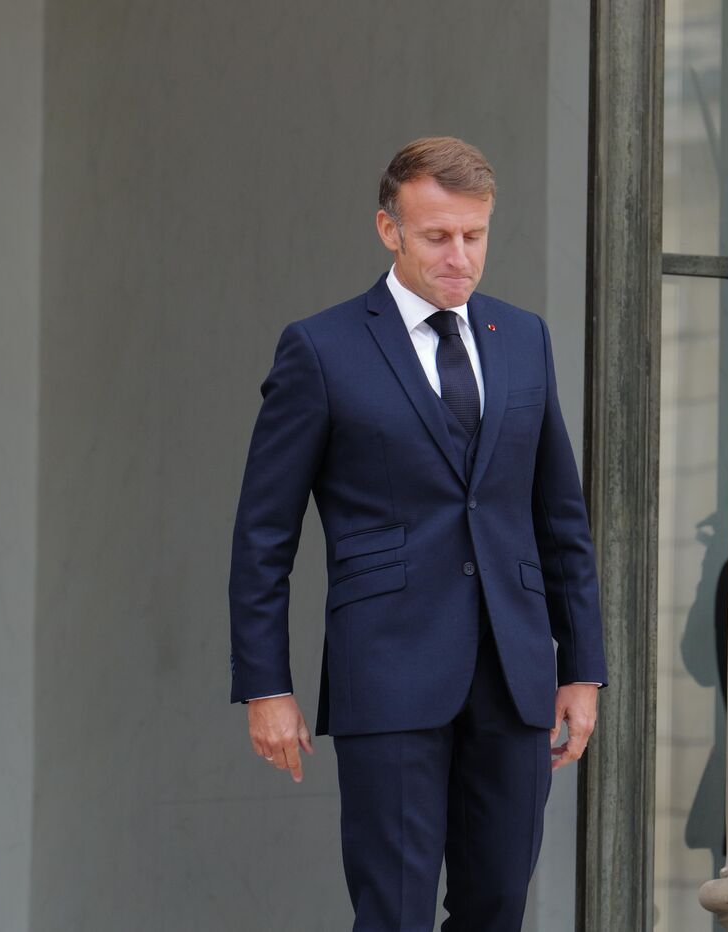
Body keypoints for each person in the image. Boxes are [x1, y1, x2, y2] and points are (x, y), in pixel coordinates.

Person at [229, 136, 608, 930]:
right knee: (394, 912)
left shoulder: (524, 338)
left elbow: (560, 516)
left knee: (498, 905)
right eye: (438, 236)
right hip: (388, 670)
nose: (459, 257)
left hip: (514, 673)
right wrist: (267, 687)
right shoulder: (321, 348)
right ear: (389, 229)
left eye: (475, 235)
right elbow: (264, 533)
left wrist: (582, 668)